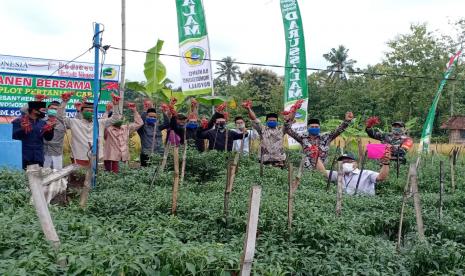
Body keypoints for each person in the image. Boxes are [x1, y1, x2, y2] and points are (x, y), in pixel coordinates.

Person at [57, 92, 122, 167]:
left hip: (96, 156)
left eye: (91, 111)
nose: (89, 113)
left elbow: (115, 118)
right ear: (81, 112)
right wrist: (64, 102)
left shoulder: (100, 123)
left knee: (94, 178)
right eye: (87, 111)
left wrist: (116, 105)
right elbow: (60, 116)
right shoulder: (74, 122)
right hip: (78, 156)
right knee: (79, 177)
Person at [284, 112, 354, 169]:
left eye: (316, 127)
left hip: (322, 168)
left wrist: (347, 121)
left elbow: (338, 130)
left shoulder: (326, 137)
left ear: (319, 127)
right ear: (308, 128)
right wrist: (287, 121)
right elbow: (289, 131)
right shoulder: (302, 137)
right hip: (307, 169)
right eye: (312, 127)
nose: (314, 128)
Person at [315, 149, 391, 196]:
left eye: (349, 161)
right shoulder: (339, 175)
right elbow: (323, 172)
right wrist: (316, 157)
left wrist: (386, 163)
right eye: (343, 162)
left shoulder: (366, 174)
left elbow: (381, 177)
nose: (345, 164)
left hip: (364, 205)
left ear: (356, 163)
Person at [12, 101, 55, 169]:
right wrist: (22, 129)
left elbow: (48, 138)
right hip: (23, 156)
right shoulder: (19, 121)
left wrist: (51, 130)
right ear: (34, 110)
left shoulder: (43, 123)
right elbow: (13, 136)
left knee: (37, 178)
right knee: (24, 178)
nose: (45, 112)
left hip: (38, 156)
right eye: (43, 110)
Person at [103, 103, 143, 173]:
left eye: (121, 118)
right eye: (117, 118)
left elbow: (139, 123)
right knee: (111, 176)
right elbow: (102, 123)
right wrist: (107, 111)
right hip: (111, 159)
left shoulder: (126, 128)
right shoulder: (107, 129)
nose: (119, 119)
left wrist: (134, 111)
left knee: (122, 175)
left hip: (123, 158)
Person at [43, 101, 66, 170]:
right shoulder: (42, 121)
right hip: (44, 153)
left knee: (57, 176)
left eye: (56, 109)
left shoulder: (63, 122)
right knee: (44, 175)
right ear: (47, 109)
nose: (53, 110)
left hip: (57, 154)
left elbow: (79, 121)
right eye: (52, 108)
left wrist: (79, 111)